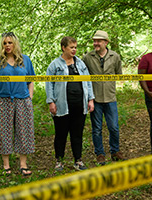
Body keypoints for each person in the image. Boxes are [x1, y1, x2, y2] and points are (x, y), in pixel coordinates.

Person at [0, 32, 35, 176]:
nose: (7, 46)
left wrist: (30, 97)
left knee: (24, 132)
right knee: (4, 132)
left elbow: (31, 80)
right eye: (5, 43)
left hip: (23, 100)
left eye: (10, 42)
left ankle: (23, 164)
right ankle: (6, 164)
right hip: (4, 101)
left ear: (15, 44)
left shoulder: (25, 60)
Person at [46, 36, 94, 171]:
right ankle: (59, 161)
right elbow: (49, 84)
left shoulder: (80, 64)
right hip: (62, 105)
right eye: (71, 47)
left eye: (75, 47)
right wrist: (51, 102)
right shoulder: (55, 65)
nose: (74, 50)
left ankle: (78, 160)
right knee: (61, 134)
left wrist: (90, 99)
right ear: (63, 48)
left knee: (77, 134)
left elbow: (88, 81)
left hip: (79, 105)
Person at [83, 30, 125, 165]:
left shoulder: (115, 56)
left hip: (110, 97)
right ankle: (100, 154)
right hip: (95, 98)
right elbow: (84, 77)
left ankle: (115, 151)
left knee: (113, 127)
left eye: (99, 41)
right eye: (94, 41)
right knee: (96, 128)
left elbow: (119, 74)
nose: (96, 43)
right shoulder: (88, 57)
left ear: (106, 42)